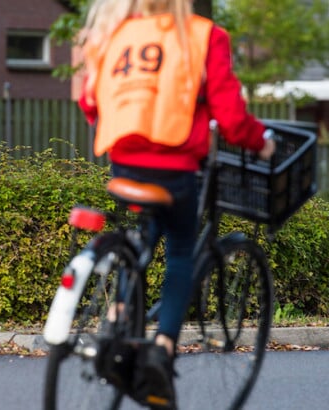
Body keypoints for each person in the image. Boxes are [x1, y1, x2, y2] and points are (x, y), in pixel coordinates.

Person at [76, 0, 275, 408]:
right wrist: (262, 143)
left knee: (143, 240)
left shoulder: (114, 31)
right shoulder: (202, 34)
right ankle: (162, 348)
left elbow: (90, 102)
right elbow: (233, 119)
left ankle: (116, 315)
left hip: (123, 167)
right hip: (175, 171)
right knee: (181, 250)